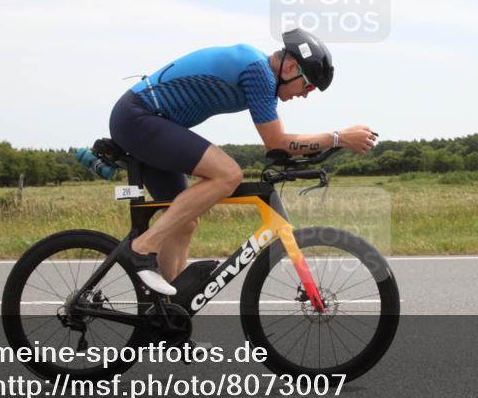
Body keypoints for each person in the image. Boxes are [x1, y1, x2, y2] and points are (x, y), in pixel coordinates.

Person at [108, 28, 377, 295]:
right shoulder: (258, 71)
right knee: (228, 174)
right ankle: (142, 248)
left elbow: (279, 147)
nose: (305, 94)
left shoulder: (263, 78)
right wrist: (338, 138)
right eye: (307, 85)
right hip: (139, 118)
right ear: (290, 67)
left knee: (184, 222)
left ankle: (169, 319)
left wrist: (323, 147)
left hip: (149, 123)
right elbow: (276, 142)